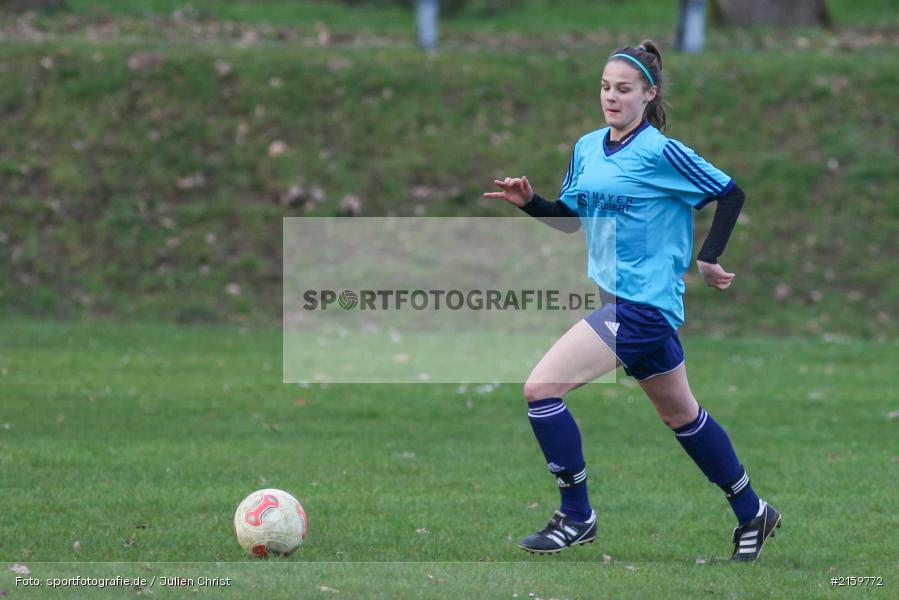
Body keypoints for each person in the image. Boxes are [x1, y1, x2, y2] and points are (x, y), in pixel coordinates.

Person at [483, 40, 780, 562]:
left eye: (624, 89)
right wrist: (530, 203)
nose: (612, 97)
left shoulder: (662, 151)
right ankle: (753, 511)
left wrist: (709, 258)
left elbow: (729, 192)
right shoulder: (588, 147)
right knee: (681, 415)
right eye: (605, 87)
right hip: (617, 300)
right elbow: (570, 221)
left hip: (643, 308)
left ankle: (577, 516)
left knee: (541, 388)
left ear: (649, 94)